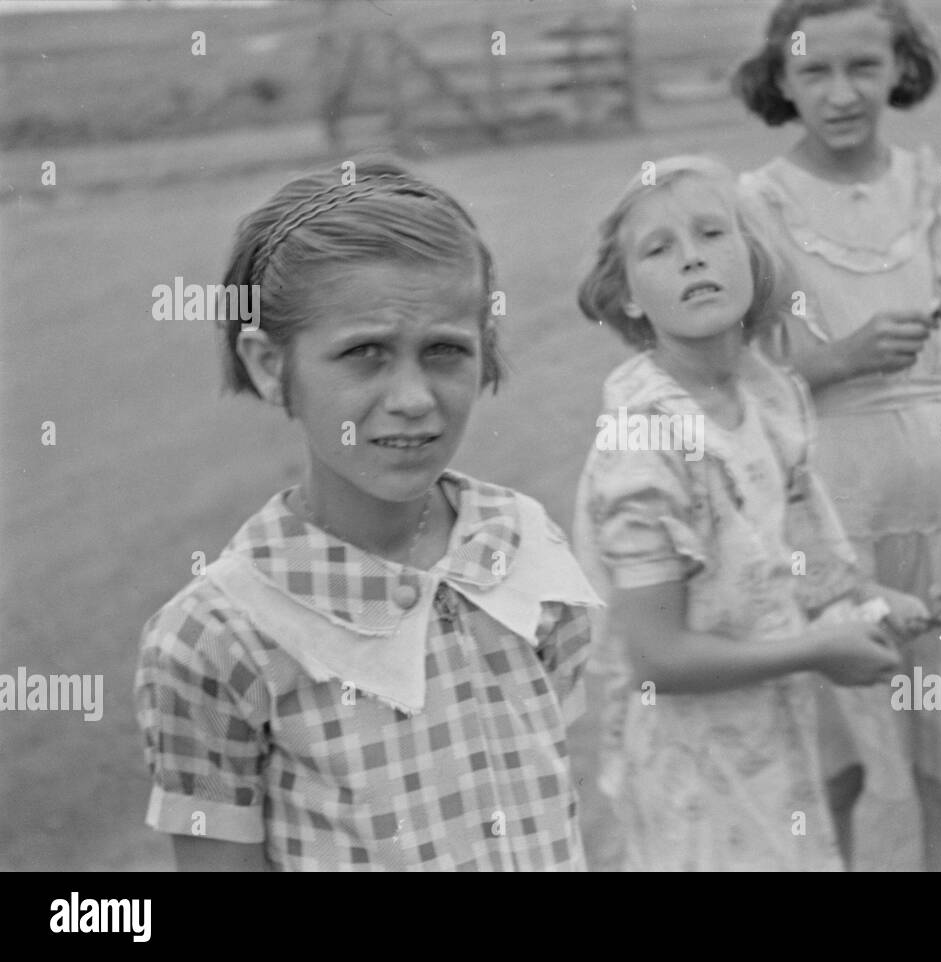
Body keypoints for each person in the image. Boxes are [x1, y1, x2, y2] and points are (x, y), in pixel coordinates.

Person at [135, 161, 602, 871]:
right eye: (364, 354)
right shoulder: (217, 637)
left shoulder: (523, 547)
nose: (413, 397)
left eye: (445, 350)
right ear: (269, 365)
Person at [735, 0, 941, 870]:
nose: (841, 94)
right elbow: (735, 380)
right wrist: (836, 359)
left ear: (902, 67)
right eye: (815, 72)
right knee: (828, 769)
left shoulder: (931, 187)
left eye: (864, 68)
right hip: (828, 518)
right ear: (780, 78)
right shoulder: (757, 205)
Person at [572, 155, 924, 871]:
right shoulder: (645, 437)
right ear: (629, 296)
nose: (692, 258)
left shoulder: (769, 395)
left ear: (754, 261)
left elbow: (796, 554)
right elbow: (658, 658)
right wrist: (820, 650)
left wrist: (865, 600)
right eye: (659, 248)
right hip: (690, 761)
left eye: (711, 234)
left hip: (774, 732)